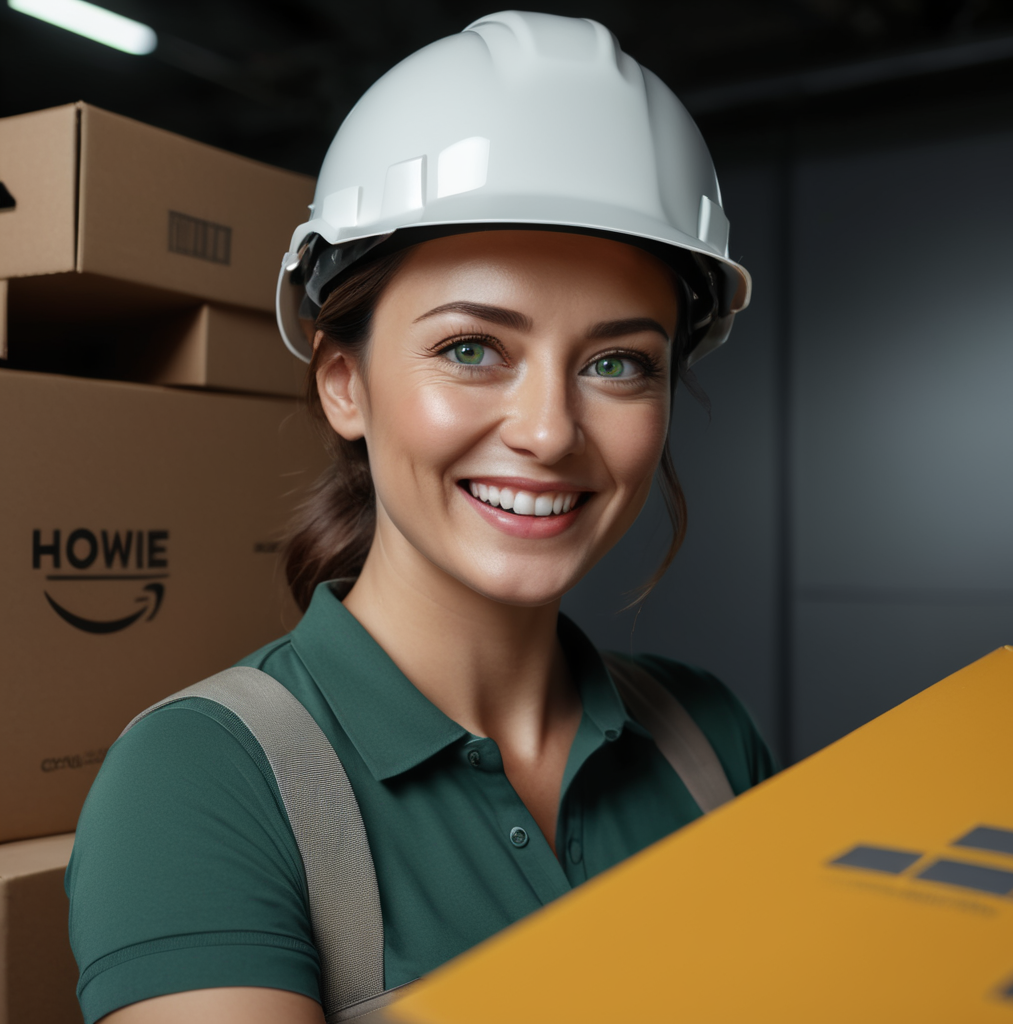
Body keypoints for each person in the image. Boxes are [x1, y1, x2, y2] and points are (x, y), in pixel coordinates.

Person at [66, 11, 776, 1024]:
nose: (548, 432)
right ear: (344, 384)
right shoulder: (203, 778)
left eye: (618, 363)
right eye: (471, 349)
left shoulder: (705, 736)